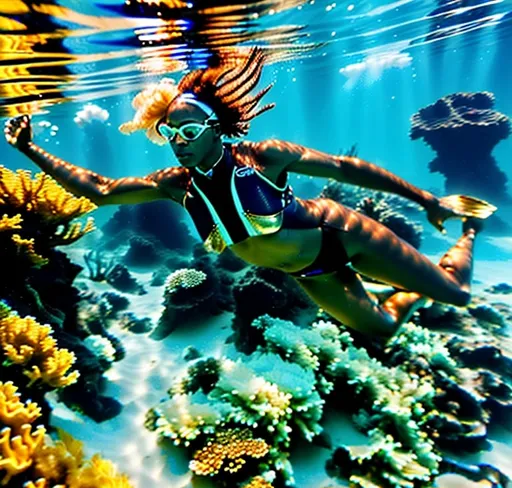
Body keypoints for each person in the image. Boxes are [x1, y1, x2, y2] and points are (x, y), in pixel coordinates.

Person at [4, 48, 496, 339]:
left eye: (190, 131)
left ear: (217, 127)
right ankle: (408, 293)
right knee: (382, 330)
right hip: (309, 270)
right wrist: (29, 149)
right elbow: (102, 191)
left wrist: (428, 201)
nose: (181, 144)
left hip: (344, 235)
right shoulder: (178, 185)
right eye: (171, 136)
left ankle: (469, 233)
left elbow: (348, 169)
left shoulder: (264, 157)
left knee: (456, 293)